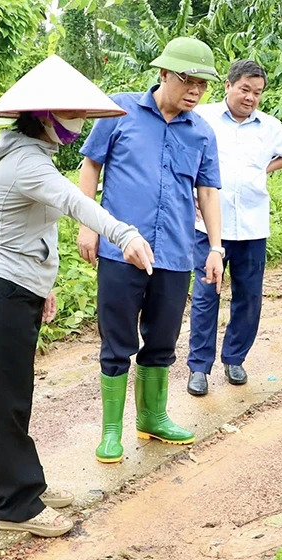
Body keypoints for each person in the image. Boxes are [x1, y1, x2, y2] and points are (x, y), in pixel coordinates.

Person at [0, 54, 155, 537]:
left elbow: (35, 230)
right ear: (43, 115)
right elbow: (75, 202)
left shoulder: (32, 154)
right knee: (7, 403)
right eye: (70, 114)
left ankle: (29, 484)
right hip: (0, 292)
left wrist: (44, 285)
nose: (78, 123)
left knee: (18, 397)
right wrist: (125, 234)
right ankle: (15, 507)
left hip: (17, 289)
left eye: (81, 114)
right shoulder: (27, 163)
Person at [76, 37, 224, 463]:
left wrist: (216, 248)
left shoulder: (202, 133)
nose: (195, 90)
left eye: (203, 84)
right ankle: (110, 432)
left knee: (162, 339)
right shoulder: (119, 110)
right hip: (119, 251)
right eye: (188, 80)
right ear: (163, 74)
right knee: (116, 340)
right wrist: (87, 225)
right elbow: (91, 165)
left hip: (175, 253)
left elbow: (208, 192)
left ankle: (153, 417)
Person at [186, 59, 282, 396]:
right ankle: (199, 367)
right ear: (228, 86)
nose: (251, 97)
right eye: (245, 89)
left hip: (252, 226)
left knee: (249, 297)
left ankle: (235, 358)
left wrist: (263, 170)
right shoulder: (202, 118)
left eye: (257, 92)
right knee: (205, 296)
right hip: (209, 227)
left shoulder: (269, 126)